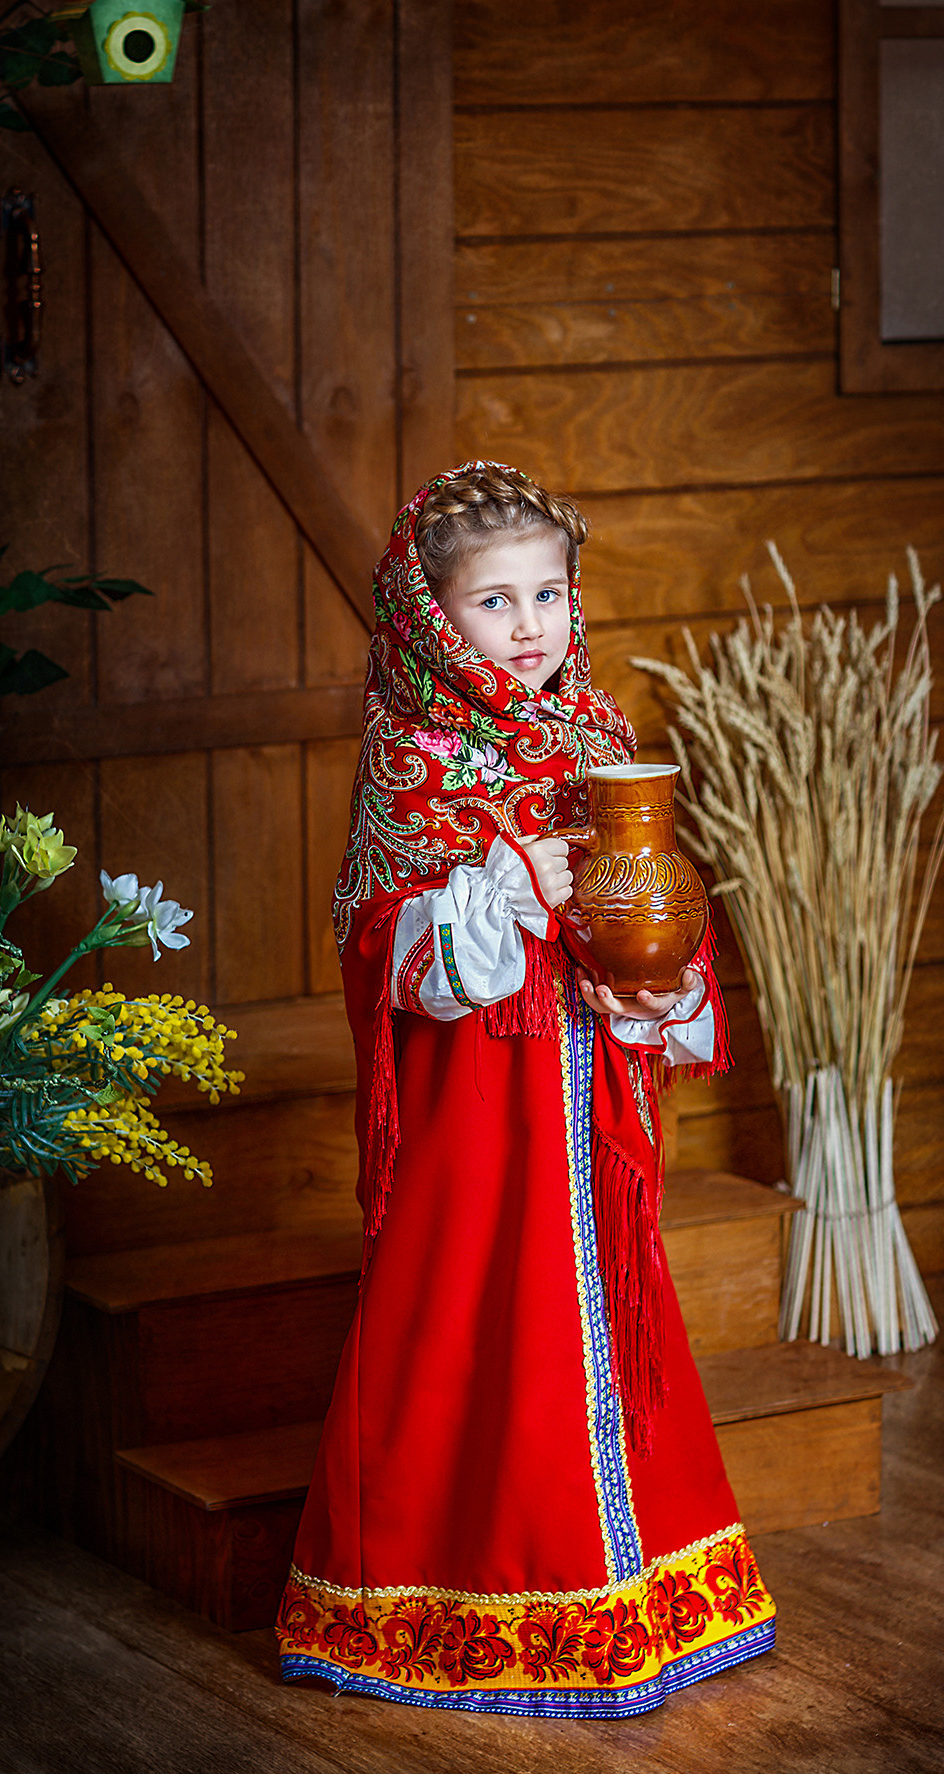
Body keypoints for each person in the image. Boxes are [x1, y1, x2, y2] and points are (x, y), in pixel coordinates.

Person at [274, 462, 775, 1715]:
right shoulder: (412, 756)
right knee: (474, 1321)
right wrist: (498, 894)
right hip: (479, 1109)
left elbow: (642, 899)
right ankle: (458, 1592)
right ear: (431, 617)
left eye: (547, 593)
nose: (530, 625)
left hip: (589, 1087)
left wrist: (651, 969)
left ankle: (632, 1586)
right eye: (493, 602)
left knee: (602, 1307)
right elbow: (388, 954)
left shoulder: (596, 735)